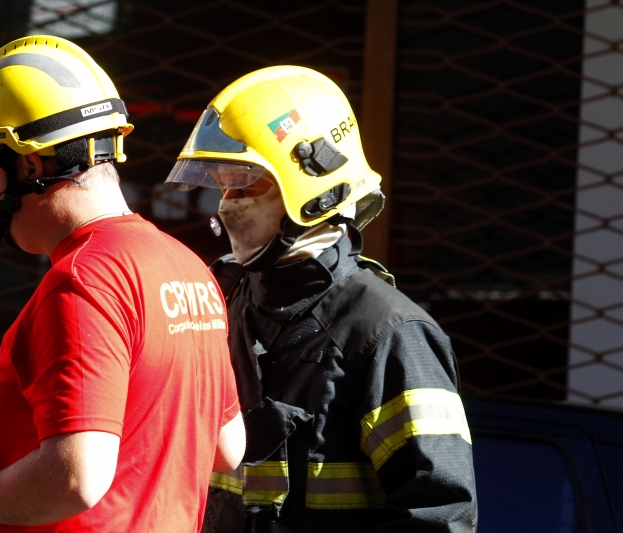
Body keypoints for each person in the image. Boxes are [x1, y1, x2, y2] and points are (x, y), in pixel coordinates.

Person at [0, 35, 245, 533]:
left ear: (30, 165)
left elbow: (77, 479)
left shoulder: (82, 282)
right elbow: (228, 448)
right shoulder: (188, 267)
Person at [164, 66, 478, 532]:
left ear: (312, 184)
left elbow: (439, 519)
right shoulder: (226, 305)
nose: (227, 203)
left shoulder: (390, 335)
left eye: (246, 182)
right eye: (223, 183)